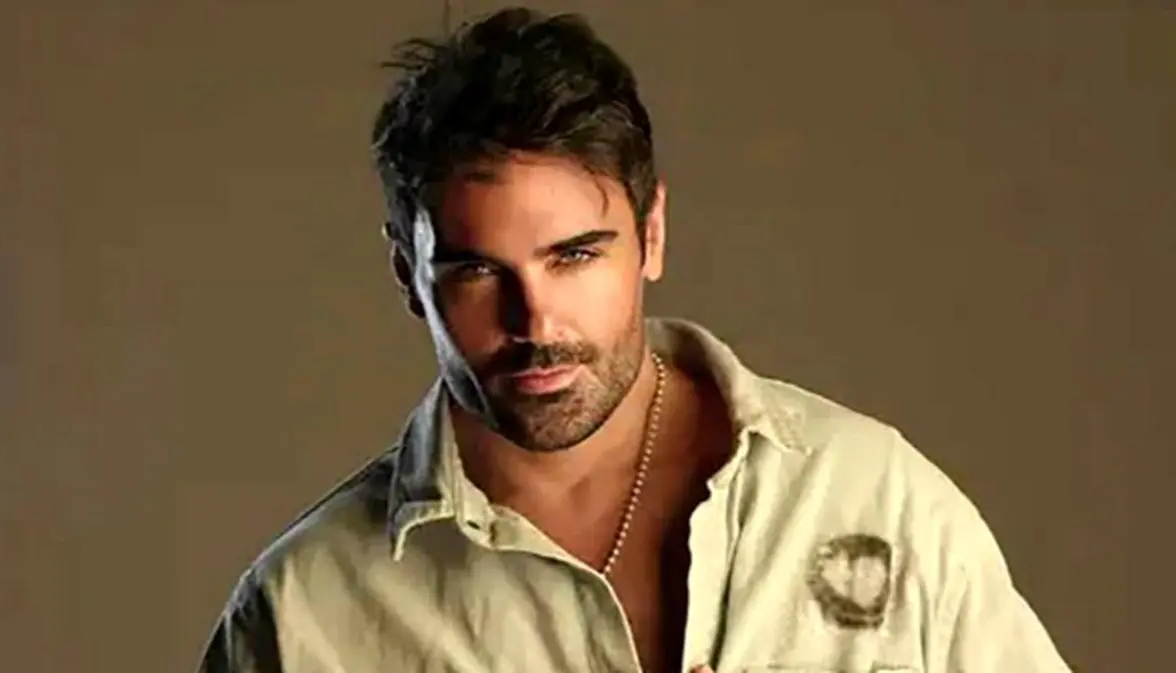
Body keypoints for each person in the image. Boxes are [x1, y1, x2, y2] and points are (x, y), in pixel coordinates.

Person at [197, 7, 1073, 673]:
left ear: (651, 234)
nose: (536, 322)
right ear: (406, 272)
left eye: (575, 255)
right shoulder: (302, 613)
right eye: (477, 271)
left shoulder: (875, 499)